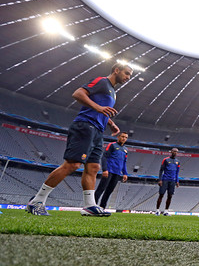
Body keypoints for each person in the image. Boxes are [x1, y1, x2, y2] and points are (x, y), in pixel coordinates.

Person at [26, 63, 132, 216]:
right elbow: (78, 93)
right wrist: (98, 108)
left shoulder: (113, 92)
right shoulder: (102, 82)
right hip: (85, 126)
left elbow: (101, 110)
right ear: (116, 70)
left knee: (94, 168)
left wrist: (110, 123)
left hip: (97, 131)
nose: (128, 77)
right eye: (126, 73)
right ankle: (37, 201)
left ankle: (89, 206)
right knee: (73, 164)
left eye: (130, 75)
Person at [94, 132, 129, 208]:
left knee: (109, 191)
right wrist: (105, 169)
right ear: (118, 137)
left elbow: (124, 162)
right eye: (122, 136)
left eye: (126, 137)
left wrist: (125, 173)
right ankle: (93, 206)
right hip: (109, 171)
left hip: (117, 173)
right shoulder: (112, 145)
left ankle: (102, 207)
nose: (124, 138)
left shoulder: (125, 149)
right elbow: (104, 157)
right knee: (101, 189)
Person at [155, 148, 180, 216]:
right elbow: (161, 170)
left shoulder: (178, 161)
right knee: (161, 195)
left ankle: (166, 211)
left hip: (172, 181)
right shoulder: (165, 160)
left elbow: (177, 172)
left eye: (176, 152)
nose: (175, 152)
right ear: (171, 152)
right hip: (165, 179)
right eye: (174, 151)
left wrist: (177, 181)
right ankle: (157, 210)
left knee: (170, 196)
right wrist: (160, 180)